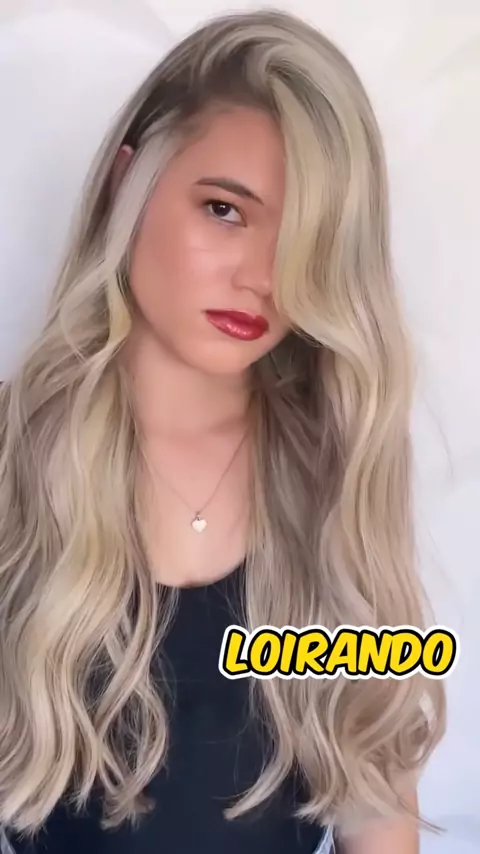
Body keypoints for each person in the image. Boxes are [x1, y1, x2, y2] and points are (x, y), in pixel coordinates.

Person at [0, 8, 446, 854]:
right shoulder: (14, 459)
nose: (264, 278)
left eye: (307, 239)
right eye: (225, 210)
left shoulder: (335, 474)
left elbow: (374, 794)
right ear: (126, 184)